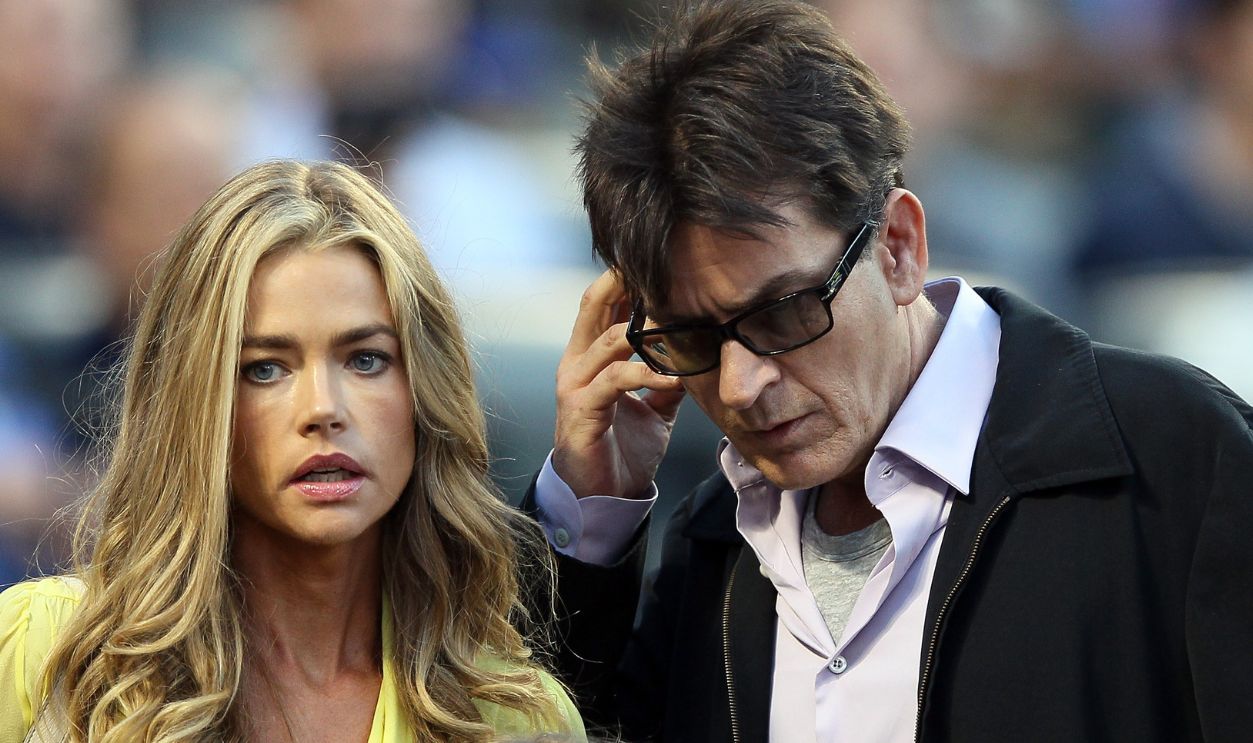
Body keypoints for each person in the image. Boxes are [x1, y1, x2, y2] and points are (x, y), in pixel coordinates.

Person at [526, 2, 1253, 741]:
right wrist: (588, 516)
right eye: (690, 338)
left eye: (782, 313)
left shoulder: (1172, 457)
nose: (742, 385)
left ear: (899, 246)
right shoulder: (713, 543)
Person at [0, 160, 585, 743]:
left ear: (424, 390)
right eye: (265, 369)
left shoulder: (515, 720)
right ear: (195, 401)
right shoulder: (47, 654)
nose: (322, 409)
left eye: (365, 359)